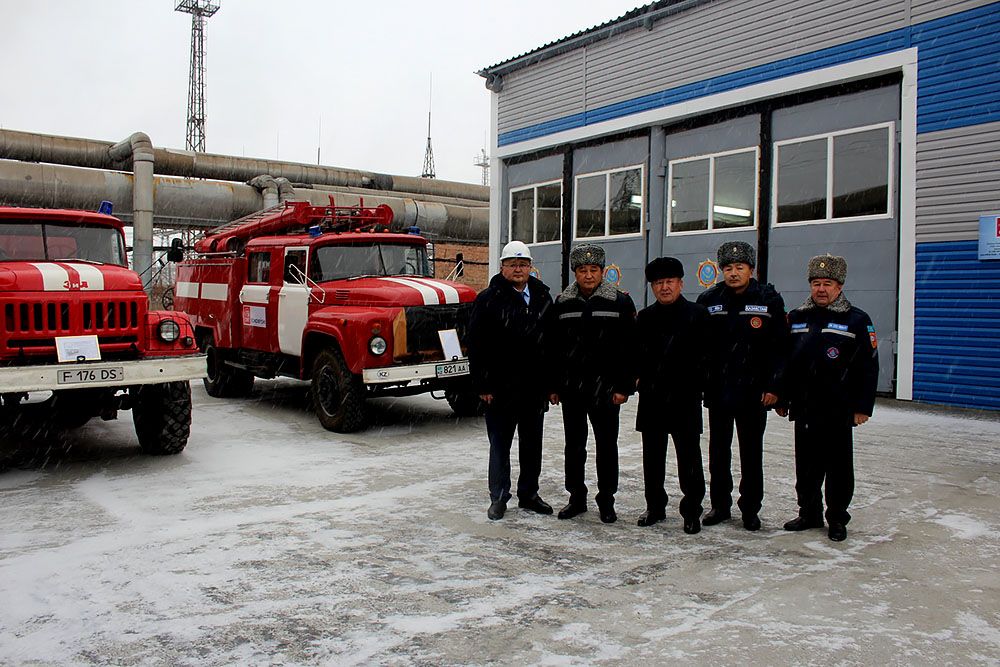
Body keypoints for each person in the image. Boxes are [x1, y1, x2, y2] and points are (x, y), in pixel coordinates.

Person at [775, 254, 879, 542]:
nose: (821, 289)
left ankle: (836, 518)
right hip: (805, 406)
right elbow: (785, 361)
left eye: (828, 283)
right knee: (806, 466)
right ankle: (808, 512)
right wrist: (782, 397)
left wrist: (862, 406)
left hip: (838, 408)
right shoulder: (796, 318)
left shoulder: (857, 320)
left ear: (840, 285)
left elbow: (868, 366)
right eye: (816, 283)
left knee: (838, 467)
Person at [696, 241, 786, 531]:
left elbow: (779, 347)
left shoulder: (768, 299)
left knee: (751, 453)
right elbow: (700, 348)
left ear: (751, 269)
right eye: (728, 268)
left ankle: (750, 509)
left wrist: (774, 386)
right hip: (718, 390)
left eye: (739, 267)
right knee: (718, 452)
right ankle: (719, 506)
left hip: (753, 392)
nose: (733, 273)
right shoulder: (709, 300)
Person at [548, 243, 636, 524]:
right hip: (572, 390)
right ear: (575, 272)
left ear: (603, 271)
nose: (588, 275)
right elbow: (553, 349)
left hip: (607, 391)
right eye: (583, 270)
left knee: (606, 447)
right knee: (574, 447)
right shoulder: (562, 303)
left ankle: (606, 501)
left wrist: (624, 387)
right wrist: (554, 385)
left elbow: (630, 349)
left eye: (593, 270)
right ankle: (576, 498)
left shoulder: (619, 302)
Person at [468, 240, 554, 521]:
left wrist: (551, 384)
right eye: (513, 264)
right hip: (501, 389)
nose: (518, 269)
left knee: (532, 445)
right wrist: (483, 385)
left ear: (531, 267)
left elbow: (553, 344)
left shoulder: (542, 296)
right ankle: (499, 496)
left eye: (523, 264)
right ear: (502, 267)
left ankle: (529, 494)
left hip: (533, 388)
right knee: (500, 445)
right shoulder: (488, 299)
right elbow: (477, 345)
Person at [635, 257, 710, 534]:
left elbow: (706, 356)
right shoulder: (644, 318)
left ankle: (691, 511)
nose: (664, 287)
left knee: (689, 459)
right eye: (658, 283)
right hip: (653, 398)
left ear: (680, 283)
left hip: (685, 397)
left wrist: (698, 383)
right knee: (652, 458)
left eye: (669, 281)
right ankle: (654, 506)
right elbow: (637, 356)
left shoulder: (697, 315)